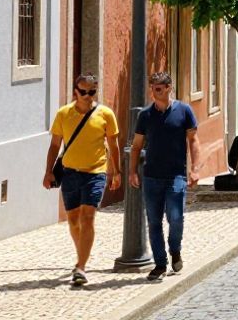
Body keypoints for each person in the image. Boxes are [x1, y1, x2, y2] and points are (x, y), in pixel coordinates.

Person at [44, 74, 121, 286]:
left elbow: (113, 145)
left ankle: (81, 266)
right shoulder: (63, 114)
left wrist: (116, 171)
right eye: (84, 92)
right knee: (73, 220)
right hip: (69, 173)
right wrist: (48, 172)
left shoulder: (105, 114)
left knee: (88, 217)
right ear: (75, 92)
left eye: (92, 92)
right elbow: (54, 146)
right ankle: (82, 257)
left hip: (96, 172)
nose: (88, 96)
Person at [130, 72, 200, 281]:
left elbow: (194, 140)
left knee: (176, 217)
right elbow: (136, 147)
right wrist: (133, 171)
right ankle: (160, 263)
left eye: (158, 89)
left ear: (169, 88)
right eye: (152, 88)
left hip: (176, 175)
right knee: (154, 221)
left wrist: (195, 168)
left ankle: (175, 250)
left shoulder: (184, 110)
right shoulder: (145, 115)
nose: (154, 92)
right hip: (151, 177)